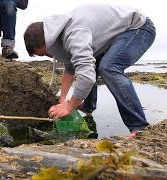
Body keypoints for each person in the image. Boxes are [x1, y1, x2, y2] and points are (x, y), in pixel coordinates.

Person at [24, 3, 156, 137]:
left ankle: (139, 126)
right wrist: (63, 100)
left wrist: (70, 107)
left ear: (48, 41)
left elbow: (87, 76)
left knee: (109, 67)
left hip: (138, 28)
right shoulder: (58, 36)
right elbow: (71, 67)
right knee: (89, 63)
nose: (50, 56)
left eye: (45, 53)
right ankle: (88, 106)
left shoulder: (74, 34)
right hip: (114, 37)